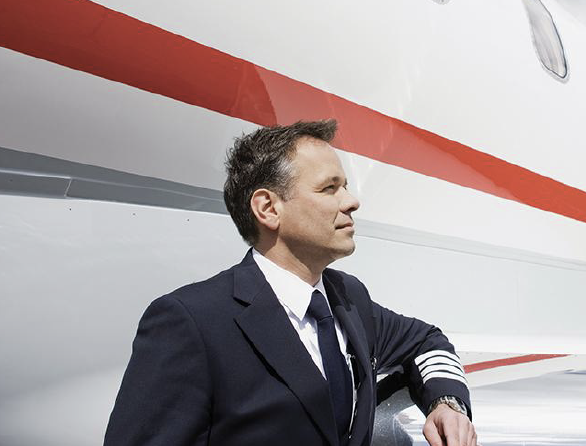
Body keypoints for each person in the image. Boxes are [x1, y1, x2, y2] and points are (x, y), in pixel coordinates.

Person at [104, 119, 477, 446]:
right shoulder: (192, 322)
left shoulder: (348, 300)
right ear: (268, 208)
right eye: (329, 188)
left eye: (344, 186)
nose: (352, 201)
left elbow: (427, 341)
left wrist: (448, 404)